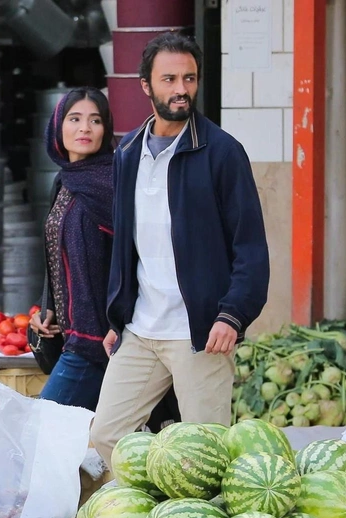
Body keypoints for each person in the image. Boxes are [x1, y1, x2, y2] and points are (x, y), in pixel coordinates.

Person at [89, 32, 270, 467]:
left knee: (207, 458)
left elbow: (251, 248)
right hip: (140, 330)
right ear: (146, 86)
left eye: (189, 78)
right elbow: (127, 245)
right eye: (169, 79)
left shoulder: (222, 153)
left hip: (201, 335)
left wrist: (232, 315)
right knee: (105, 438)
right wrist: (118, 312)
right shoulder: (128, 151)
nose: (181, 89)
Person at [28, 86, 115, 411]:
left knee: (42, 429)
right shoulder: (65, 181)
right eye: (74, 118)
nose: (84, 128)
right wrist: (46, 307)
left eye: (95, 121)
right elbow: (57, 254)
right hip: (71, 337)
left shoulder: (111, 182)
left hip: (97, 341)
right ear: (58, 126)